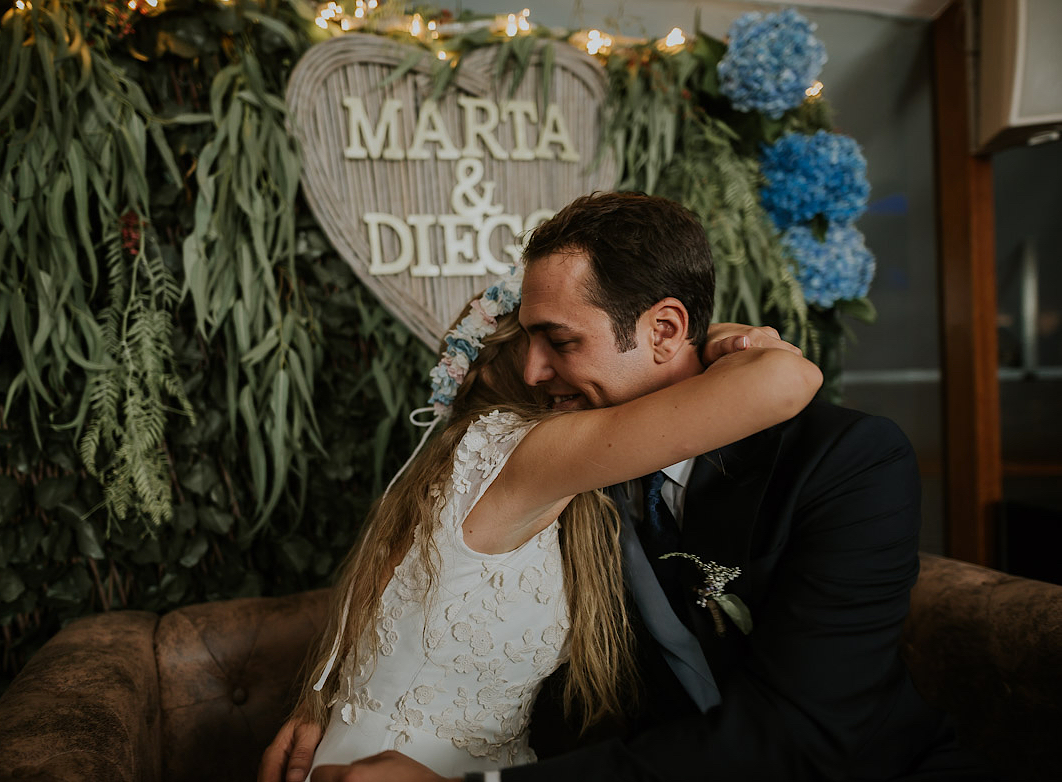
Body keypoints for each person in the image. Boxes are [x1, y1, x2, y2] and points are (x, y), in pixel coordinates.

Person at [269, 192, 992, 782]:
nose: (533, 371)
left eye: (561, 340)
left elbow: (797, 738)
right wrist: (344, 706)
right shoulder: (561, 458)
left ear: (663, 328)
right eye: (524, 339)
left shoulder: (846, 461)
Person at [257, 252, 822, 782]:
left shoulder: (500, 475)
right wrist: (721, 339)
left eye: (558, 341)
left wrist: (324, 706)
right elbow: (784, 382)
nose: (537, 369)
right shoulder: (523, 452)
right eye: (536, 341)